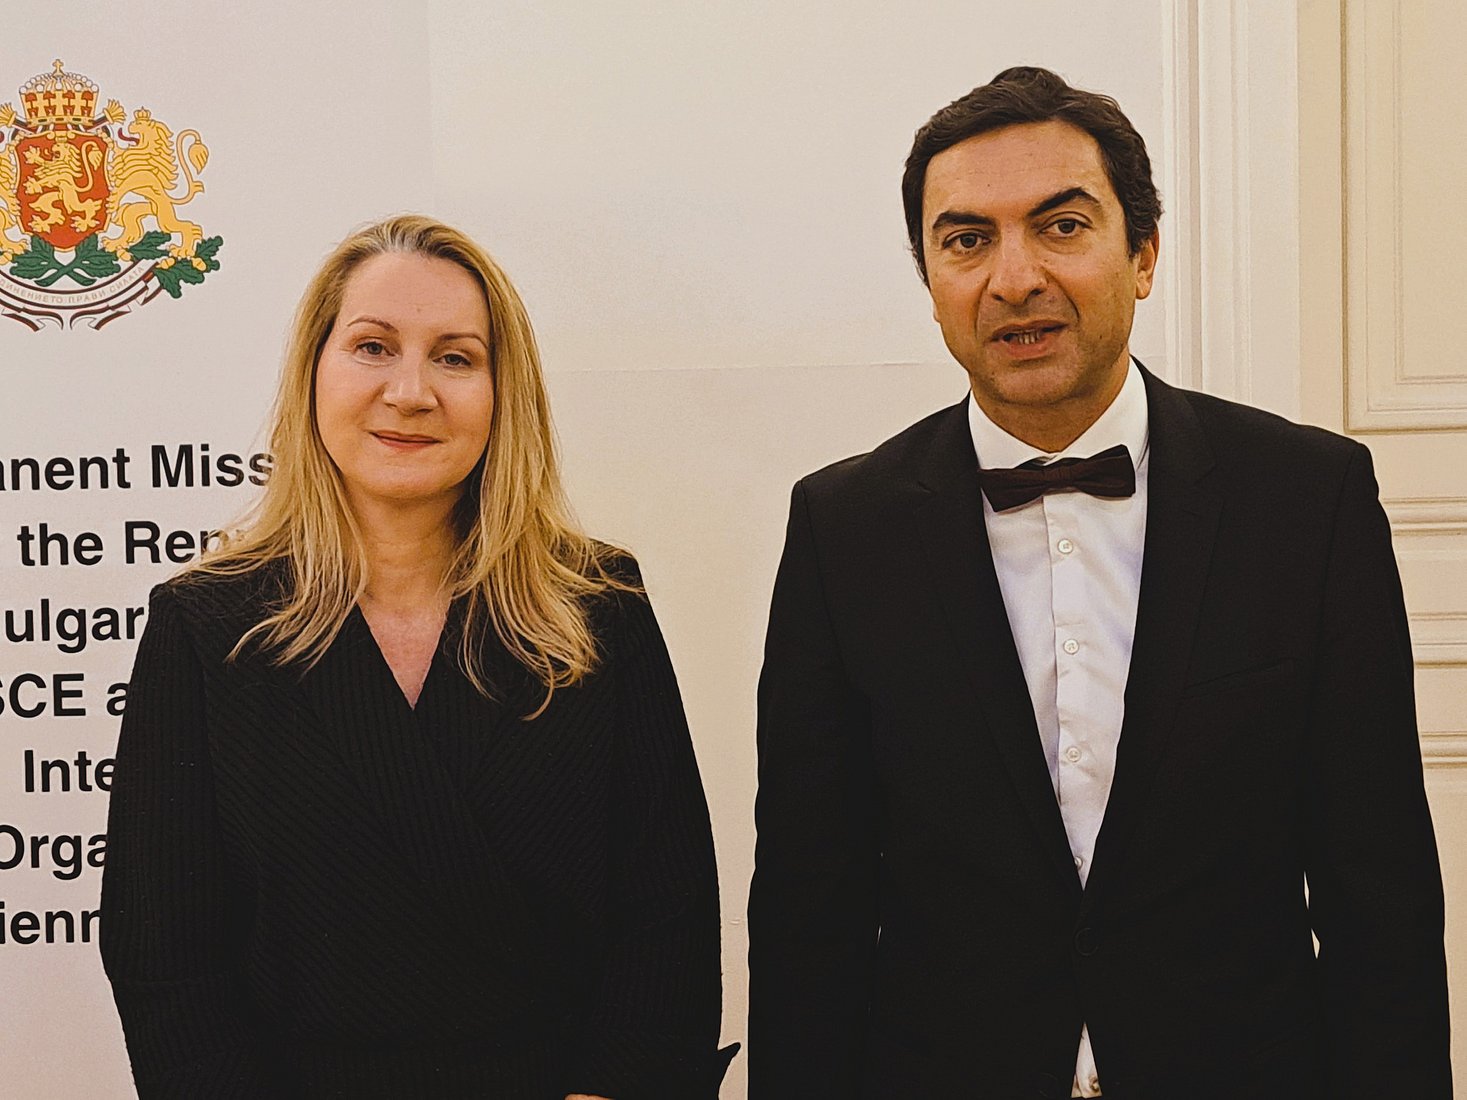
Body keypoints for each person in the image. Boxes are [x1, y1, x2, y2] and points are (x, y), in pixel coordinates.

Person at [747, 66, 1450, 1098]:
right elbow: (810, 907)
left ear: (1144, 253)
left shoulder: (1309, 498)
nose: (1013, 277)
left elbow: (1377, 891)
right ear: (930, 281)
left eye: (1062, 226)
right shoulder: (841, 526)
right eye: (966, 240)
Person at [100, 215, 736, 1099]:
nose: (410, 392)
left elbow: (666, 917)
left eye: (455, 358)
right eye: (372, 347)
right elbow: (164, 954)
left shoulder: (597, 607)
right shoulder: (207, 627)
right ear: (314, 370)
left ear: (504, 394)